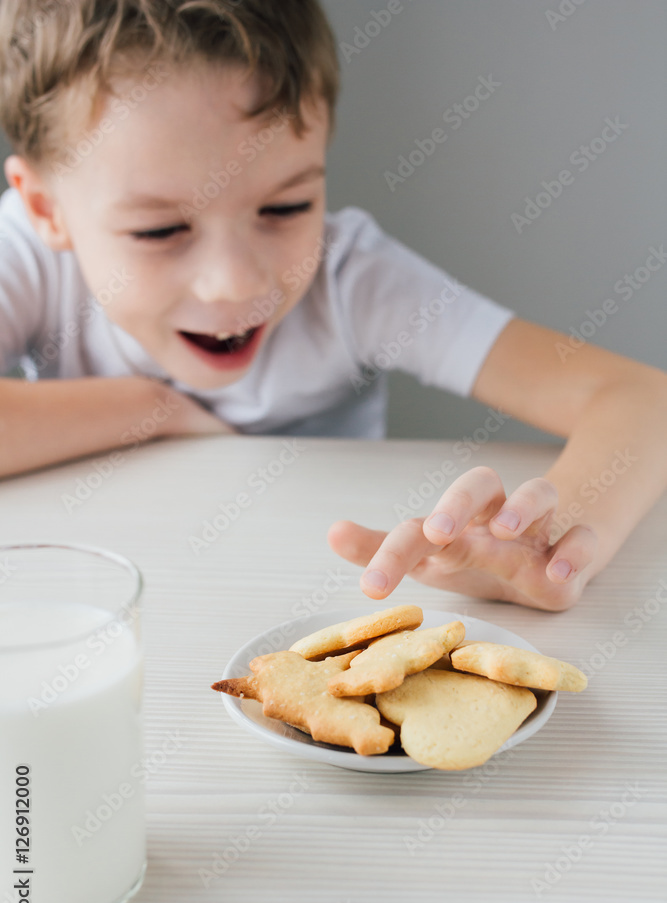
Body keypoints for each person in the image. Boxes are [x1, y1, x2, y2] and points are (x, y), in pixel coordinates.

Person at [0, 0, 664, 611]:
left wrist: (543, 549)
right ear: (44, 208)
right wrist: (153, 407)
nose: (233, 284)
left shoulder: (352, 279)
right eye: (160, 231)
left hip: (322, 599)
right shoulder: (27, 254)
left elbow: (642, 400)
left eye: (285, 207)